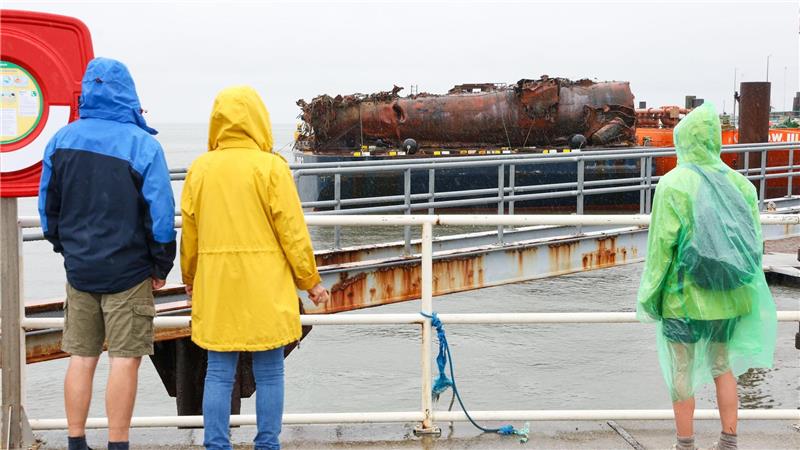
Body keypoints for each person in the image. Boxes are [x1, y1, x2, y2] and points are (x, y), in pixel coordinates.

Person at [180, 85, 329, 450]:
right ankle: (267, 444)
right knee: (270, 370)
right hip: (266, 285)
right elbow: (292, 232)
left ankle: (217, 444)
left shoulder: (200, 169)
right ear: (259, 120)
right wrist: (309, 281)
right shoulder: (271, 168)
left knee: (219, 372)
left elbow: (190, 235)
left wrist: (190, 279)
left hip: (218, 284)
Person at [38, 57, 176, 450]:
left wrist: (66, 248)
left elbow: (48, 208)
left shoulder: (61, 140)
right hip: (129, 272)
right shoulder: (143, 145)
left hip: (80, 269)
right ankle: (118, 444)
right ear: (129, 94)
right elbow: (161, 215)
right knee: (124, 359)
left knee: (81, 357)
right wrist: (161, 263)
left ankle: (75, 441)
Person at [637, 103, 777, 450]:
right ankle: (728, 441)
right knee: (722, 366)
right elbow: (752, 247)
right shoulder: (742, 186)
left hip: (682, 296)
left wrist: (649, 298)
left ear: (683, 140)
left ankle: (685, 444)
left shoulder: (674, 184)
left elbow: (661, 249)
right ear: (715, 140)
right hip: (729, 296)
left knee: (681, 371)